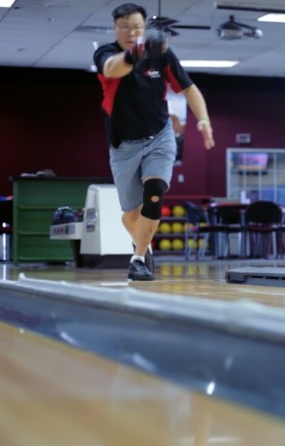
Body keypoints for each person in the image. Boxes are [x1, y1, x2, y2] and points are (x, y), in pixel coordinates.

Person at [93, 3, 215, 281]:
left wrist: (204, 119)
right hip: (124, 144)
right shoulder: (106, 52)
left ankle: (137, 259)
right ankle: (143, 246)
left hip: (160, 135)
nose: (130, 32)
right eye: (124, 27)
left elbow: (188, 87)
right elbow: (113, 70)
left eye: (136, 27)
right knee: (130, 215)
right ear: (115, 28)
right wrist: (138, 51)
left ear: (144, 27)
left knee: (156, 191)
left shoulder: (162, 55)